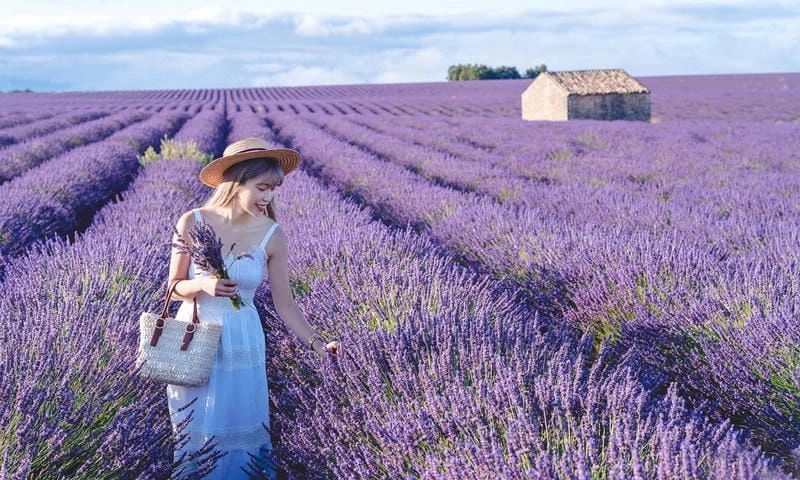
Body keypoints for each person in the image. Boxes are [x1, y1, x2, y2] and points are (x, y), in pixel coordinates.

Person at [166, 137, 338, 478]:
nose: (268, 197)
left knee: (241, 432)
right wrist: (202, 284)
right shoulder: (191, 221)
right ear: (236, 182)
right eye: (262, 188)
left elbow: (285, 305)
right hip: (195, 339)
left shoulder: (273, 234)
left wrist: (318, 343)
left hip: (242, 340)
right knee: (195, 431)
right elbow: (172, 288)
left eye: (274, 189)